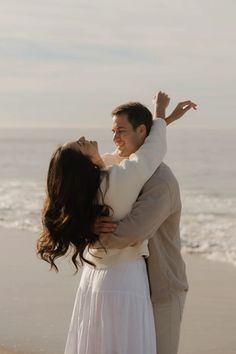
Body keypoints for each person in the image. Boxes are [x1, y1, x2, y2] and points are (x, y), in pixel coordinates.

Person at [94, 94, 197, 354]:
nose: (115, 137)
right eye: (113, 131)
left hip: (161, 289)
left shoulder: (160, 181)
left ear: (142, 131)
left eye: (121, 131)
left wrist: (88, 236)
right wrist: (164, 118)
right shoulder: (126, 167)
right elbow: (109, 161)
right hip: (132, 285)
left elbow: (131, 232)